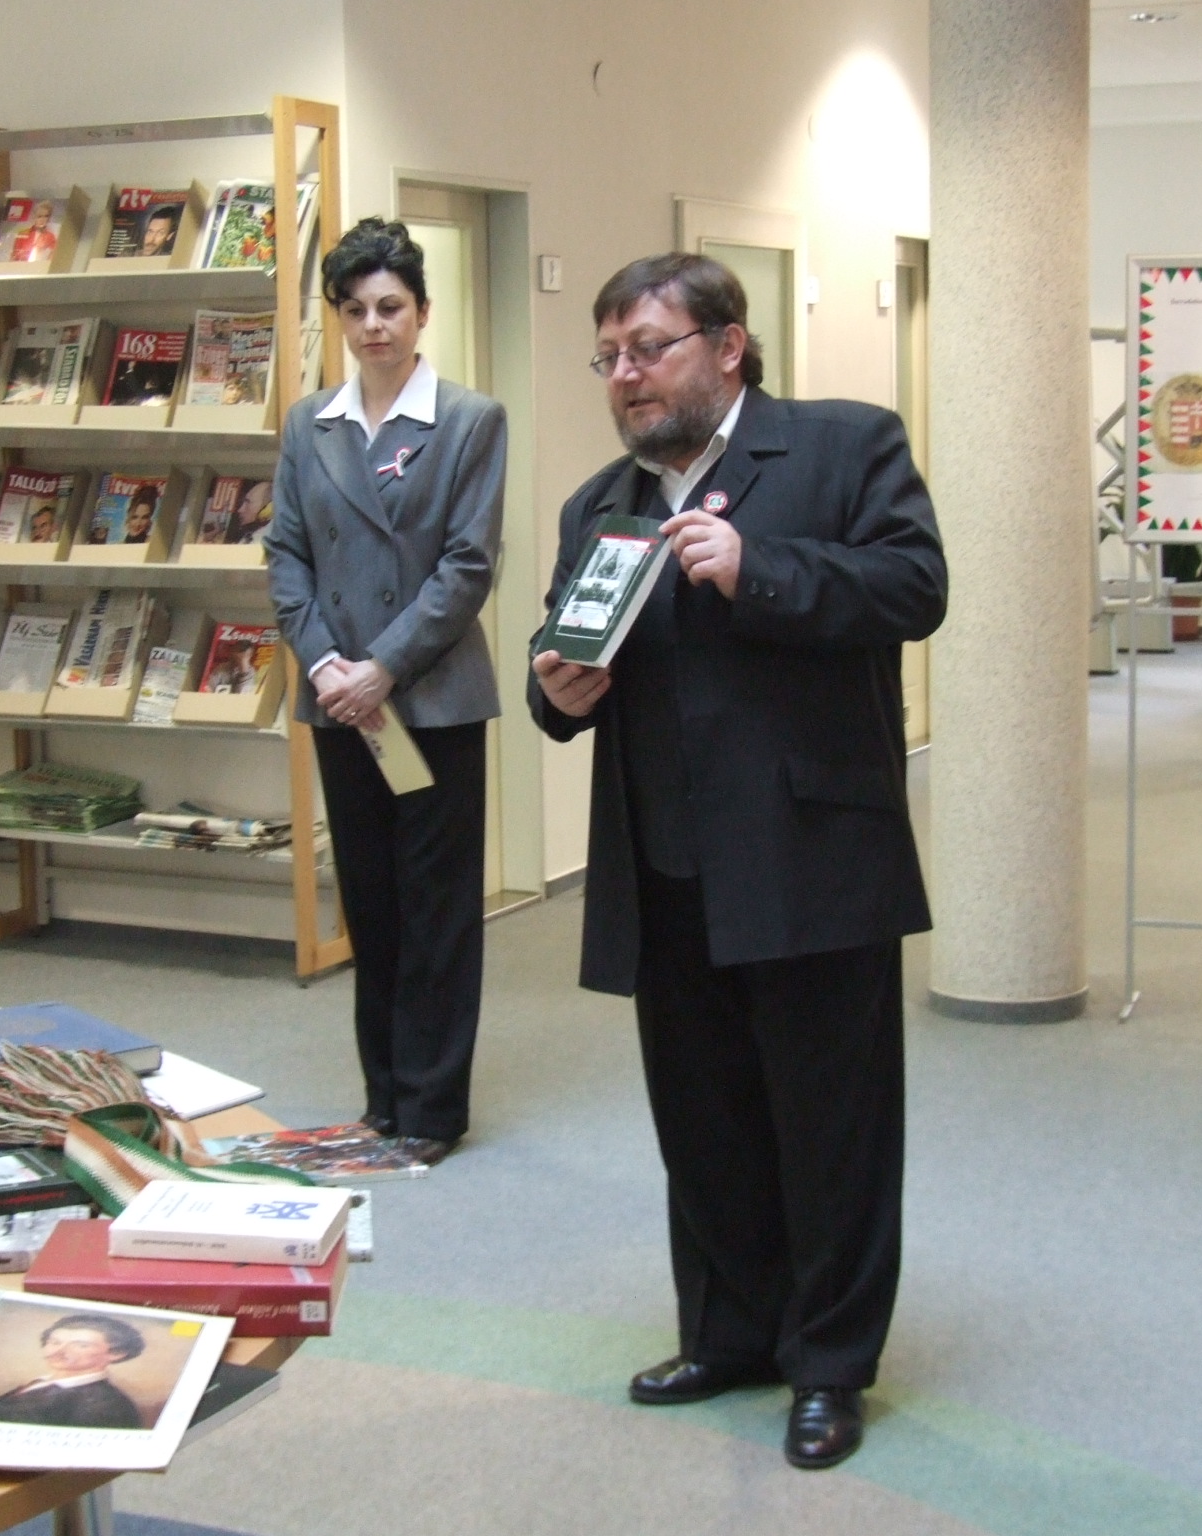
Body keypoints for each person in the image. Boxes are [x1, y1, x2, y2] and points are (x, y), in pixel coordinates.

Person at [529, 253, 945, 1471]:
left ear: (726, 346)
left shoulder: (841, 447)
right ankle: (727, 1334)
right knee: (702, 1123)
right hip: (667, 866)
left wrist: (760, 567)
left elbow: (914, 587)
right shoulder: (598, 504)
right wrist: (554, 691)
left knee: (828, 1129)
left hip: (810, 857)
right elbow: (564, 656)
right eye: (608, 357)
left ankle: (827, 1366)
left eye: (647, 349)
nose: (625, 376)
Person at [266, 216, 507, 1167]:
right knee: (371, 900)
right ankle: (383, 1096)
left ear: (422, 313)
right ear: (338, 317)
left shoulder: (468, 420)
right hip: (341, 705)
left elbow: (468, 565)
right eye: (357, 309)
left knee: (436, 906)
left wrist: (383, 667)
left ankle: (433, 1107)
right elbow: (286, 552)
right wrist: (326, 662)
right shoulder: (309, 424)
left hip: (428, 702)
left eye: (391, 307)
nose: (374, 326)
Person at [0, 1313, 145, 1429]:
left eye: (81, 1345)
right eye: (55, 1342)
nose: (58, 1351)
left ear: (116, 1353)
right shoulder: (39, 1383)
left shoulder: (107, 1406)